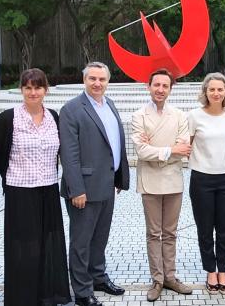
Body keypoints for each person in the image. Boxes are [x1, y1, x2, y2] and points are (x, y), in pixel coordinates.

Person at [0, 68, 71, 306]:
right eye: (28, 87)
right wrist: (13, 175)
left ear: (45, 90)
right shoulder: (8, 118)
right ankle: (23, 297)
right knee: (23, 245)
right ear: (21, 89)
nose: (33, 92)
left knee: (48, 242)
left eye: (37, 87)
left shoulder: (54, 117)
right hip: (20, 191)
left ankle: (47, 294)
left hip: (48, 189)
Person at [59, 61, 130, 306]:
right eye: (92, 79)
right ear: (84, 80)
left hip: (107, 185)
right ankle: (82, 291)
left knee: (100, 238)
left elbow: (114, 144)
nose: (97, 83)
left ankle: (98, 277)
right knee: (81, 242)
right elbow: (69, 154)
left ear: (108, 82)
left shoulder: (109, 104)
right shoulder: (71, 109)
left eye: (102, 79)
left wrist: (119, 176)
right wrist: (76, 189)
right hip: (84, 190)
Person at [131, 68, 193, 302]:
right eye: (156, 85)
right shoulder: (139, 115)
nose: (160, 89)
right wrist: (170, 149)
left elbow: (184, 149)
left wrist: (157, 149)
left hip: (173, 180)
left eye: (165, 86)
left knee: (170, 233)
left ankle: (171, 277)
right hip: (149, 181)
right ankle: (157, 279)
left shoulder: (179, 115)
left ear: (170, 88)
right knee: (153, 233)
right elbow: (141, 150)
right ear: (149, 86)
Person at [188, 72, 225, 295]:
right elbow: (188, 144)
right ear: (205, 92)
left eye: (220, 89)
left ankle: (223, 270)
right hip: (201, 178)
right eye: (212, 89)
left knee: (224, 229)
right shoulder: (194, 116)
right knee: (204, 228)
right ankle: (211, 270)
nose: (216, 93)